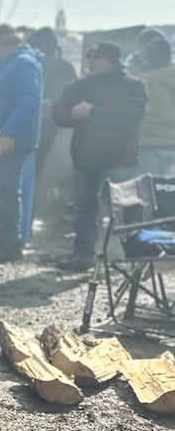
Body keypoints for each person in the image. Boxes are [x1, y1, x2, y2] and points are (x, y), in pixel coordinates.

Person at [53, 43, 148, 271]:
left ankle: (135, 259)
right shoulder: (80, 86)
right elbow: (58, 112)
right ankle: (83, 254)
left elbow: (133, 116)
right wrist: (72, 114)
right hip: (85, 160)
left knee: (126, 212)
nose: (91, 61)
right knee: (83, 209)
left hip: (119, 160)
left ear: (112, 60)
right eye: (89, 56)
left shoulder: (132, 86)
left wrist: (94, 113)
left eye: (97, 57)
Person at [0, 25, 44, 263]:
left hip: (11, 140)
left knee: (3, 192)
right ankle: (5, 244)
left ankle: (4, 247)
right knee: (4, 191)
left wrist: (8, 133)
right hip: (10, 137)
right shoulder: (16, 62)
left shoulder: (23, 63)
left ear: (2, 40)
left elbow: (28, 101)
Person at [26, 27, 77, 230]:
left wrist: (53, 104)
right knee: (36, 175)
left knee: (37, 175)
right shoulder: (58, 67)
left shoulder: (61, 68)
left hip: (53, 128)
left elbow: (70, 95)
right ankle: (32, 217)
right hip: (47, 128)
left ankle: (38, 215)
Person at [135, 34, 175, 178]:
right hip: (173, 141)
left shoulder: (144, 81)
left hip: (149, 143)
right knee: (170, 192)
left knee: (148, 191)